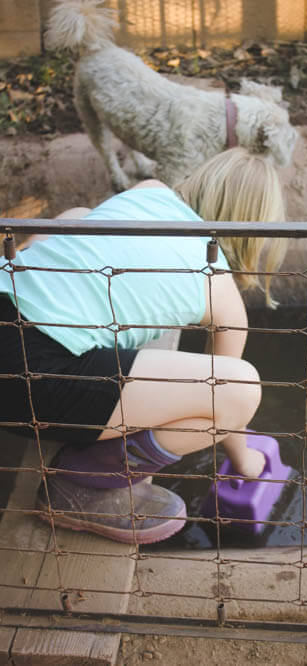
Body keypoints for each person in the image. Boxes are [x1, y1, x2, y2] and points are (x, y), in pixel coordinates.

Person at [0, 147, 287, 544]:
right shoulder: (220, 289)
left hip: (8, 305)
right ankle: (85, 482)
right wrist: (246, 462)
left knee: (77, 217)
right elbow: (226, 402)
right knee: (241, 387)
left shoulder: (148, 190)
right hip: (27, 381)